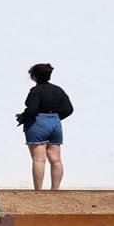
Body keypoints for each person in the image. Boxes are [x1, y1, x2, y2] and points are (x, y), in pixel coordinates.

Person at [16, 63, 73, 191]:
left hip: (38, 123)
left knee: (39, 159)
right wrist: (55, 118)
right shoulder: (58, 90)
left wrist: (23, 117)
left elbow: (33, 109)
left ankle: (39, 191)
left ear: (34, 76)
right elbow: (69, 109)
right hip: (55, 123)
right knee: (56, 159)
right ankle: (55, 190)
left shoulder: (35, 91)